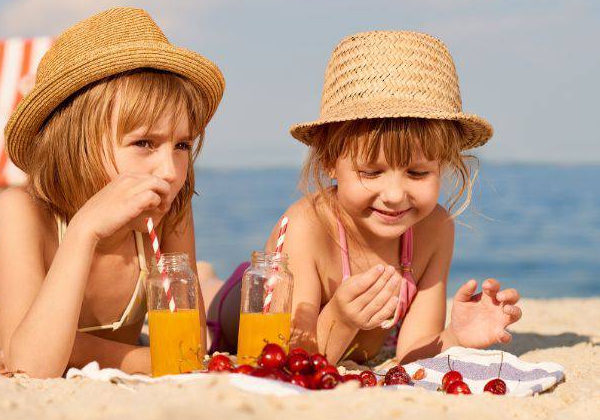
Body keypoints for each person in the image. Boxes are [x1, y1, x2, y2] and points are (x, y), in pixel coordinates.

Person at [0, 7, 225, 378]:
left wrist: (81, 349)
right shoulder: (22, 211)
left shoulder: (170, 208)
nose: (169, 171)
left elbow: (186, 350)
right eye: (144, 143)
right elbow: (30, 364)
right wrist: (84, 231)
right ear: (76, 141)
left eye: (182, 145)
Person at [207, 30, 522, 365]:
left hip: (355, 345)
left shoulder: (435, 228)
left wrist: (456, 336)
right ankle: (206, 276)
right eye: (371, 173)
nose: (395, 195)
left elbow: (414, 352)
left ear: (442, 166)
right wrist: (341, 319)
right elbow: (290, 359)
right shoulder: (307, 227)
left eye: (417, 174)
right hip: (239, 313)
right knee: (207, 291)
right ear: (329, 161)